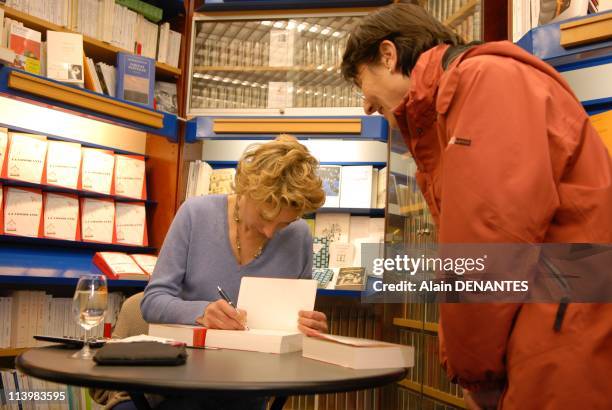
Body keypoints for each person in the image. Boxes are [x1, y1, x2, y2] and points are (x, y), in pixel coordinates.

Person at [341, 4, 612, 410]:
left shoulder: (486, 80)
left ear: (388, 55)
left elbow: (487, 247)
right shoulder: (467, 95)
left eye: (363, 82)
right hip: (553, 333)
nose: (366, 104)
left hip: (559, 343)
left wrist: (474, 371)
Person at [141, 135, 328, 409]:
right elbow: (152, 300)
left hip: (249, 387)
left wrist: (310, 328)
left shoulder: (299, 237)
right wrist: (202, 312)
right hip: (178, 381)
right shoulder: (195, 214)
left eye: (283, 224)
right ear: (246, 189)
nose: (269, 232)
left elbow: (294, 333)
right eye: (265, 217)